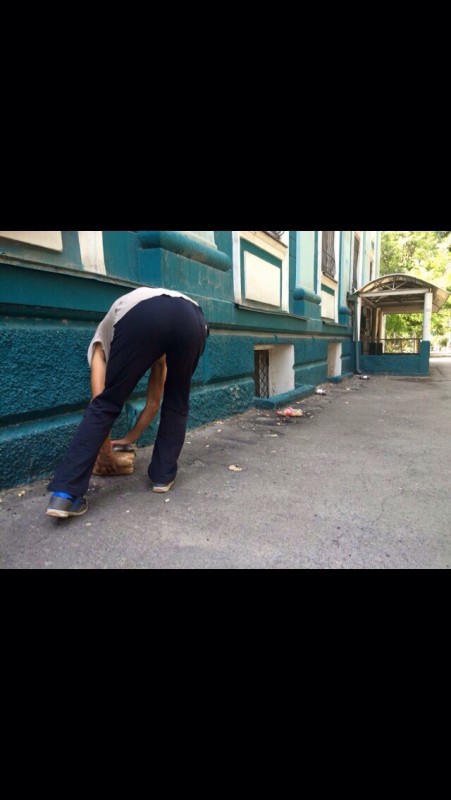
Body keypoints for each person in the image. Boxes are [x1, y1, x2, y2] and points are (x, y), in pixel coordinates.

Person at [46, 287, 209, 519]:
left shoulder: (99, 342)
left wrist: (108, 449)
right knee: (177, 401)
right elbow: (155, 402)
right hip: (193, 318)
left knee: (108, 402)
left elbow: (100, 402)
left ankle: (65, 495)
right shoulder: (119, 339)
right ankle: (162, 477)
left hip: (143, 314)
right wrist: (126, 440)